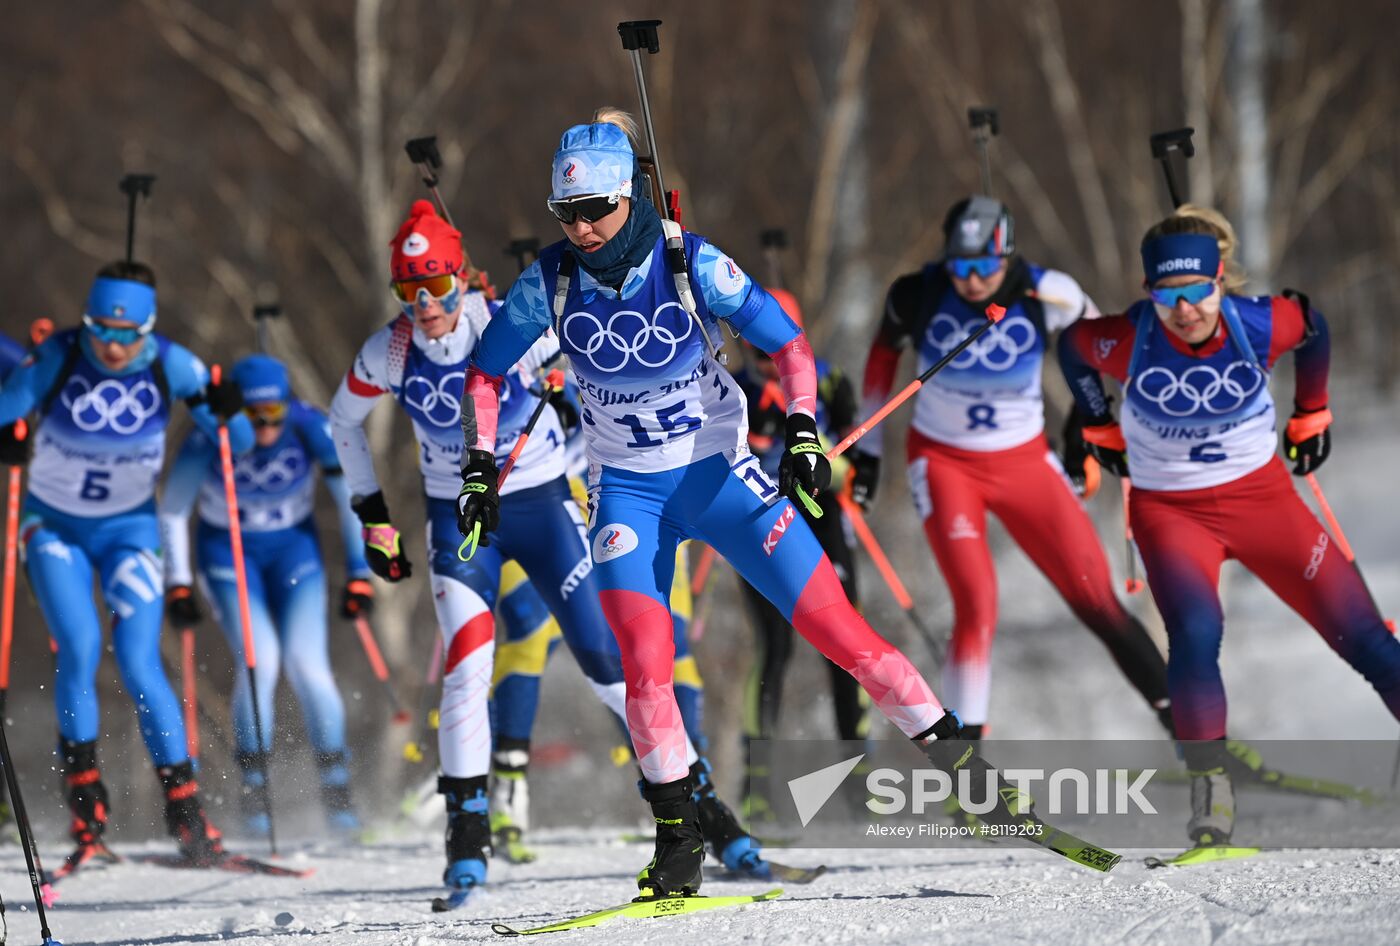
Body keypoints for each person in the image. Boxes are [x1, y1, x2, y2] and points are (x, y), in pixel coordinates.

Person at [456, 110, 1023, 899]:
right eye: (568, 214)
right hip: (626, 493)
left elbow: (789, 345)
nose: (582, 229)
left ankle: (961, 764)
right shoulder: (546, 283)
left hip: (720, 475)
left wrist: (798, 431)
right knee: (647, 672)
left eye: (597, 211)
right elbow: (483, 376)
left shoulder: (693, 264)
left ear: (631, 197)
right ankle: (680, 842)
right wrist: (480, 467)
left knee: (838, 632)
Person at [328, 200, 763, 901]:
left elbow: (603, 356)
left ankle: (701, 804)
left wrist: (566, 399)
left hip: (541, 505)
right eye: (409, 291)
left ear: (462, 280)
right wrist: (373, 516)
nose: (425, 306)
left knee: (607, 666)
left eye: (437, 288)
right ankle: (468, 838)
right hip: (463, 517)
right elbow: (341, 421)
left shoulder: (503, 326)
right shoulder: (392, 350)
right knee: (469, 665)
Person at [1058, 204, 1400, 848]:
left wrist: (1313, 412)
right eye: (1167, 294)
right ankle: (1211, 793)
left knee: (1366, 642)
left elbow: (1315, 329)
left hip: (1265, 504)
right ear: (1147, 293)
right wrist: (1097, 422)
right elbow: (1071, 349)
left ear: (1220, 281)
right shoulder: (1125, 339)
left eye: (1196, 291)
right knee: (1194, 634)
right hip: (1173, 512)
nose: (1184, 309)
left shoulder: (1262, 322)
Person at [849, 196, 1172, 739]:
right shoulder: (919, 293)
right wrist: (869, 449)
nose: (972, 281)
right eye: (961, 267)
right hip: (944, 462)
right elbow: (882, 358)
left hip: (1023, 461)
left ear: (1008, 256)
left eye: (985, 267)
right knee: (977, 601)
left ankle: (1194, 734)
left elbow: (1099, 354)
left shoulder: (1052, 293)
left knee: (1097, 598)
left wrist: (1083, 435)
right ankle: (964, 763)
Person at [0, 261, 249, 869]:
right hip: (52, 528)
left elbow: (233, 442)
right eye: (101, 331)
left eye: (127, 334)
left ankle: (187, 815)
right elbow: (6, 408)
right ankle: (86, 806)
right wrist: (10, 431)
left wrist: (226, 410)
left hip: (131, 533)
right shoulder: (59, 356)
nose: (112, 346)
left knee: (140, 661)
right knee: (79, 647)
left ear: (148, 328)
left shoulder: (174, 363)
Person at [159, 354, 370, 836]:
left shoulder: (308, 425)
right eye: (254, 417)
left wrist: (360, 570)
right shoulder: (209, 436)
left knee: (310, 668)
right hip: (229, 557)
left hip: (294, 555)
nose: (267, 425)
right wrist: (178, 582)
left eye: (275, 412)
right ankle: (254, 790)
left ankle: (338, 789)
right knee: (261, 662)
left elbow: (351, 495)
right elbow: (172, 511)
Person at [730, 287, 869, 819]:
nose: (766, 364)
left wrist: (847, 468)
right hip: (758, 523)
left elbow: (856, 452)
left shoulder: (825, 379)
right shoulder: (734, 389)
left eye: (774, 351)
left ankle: (858, 777)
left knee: (845, 640)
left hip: (821, 519)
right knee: (774, 648)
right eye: (755, 350)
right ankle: (757, 783)